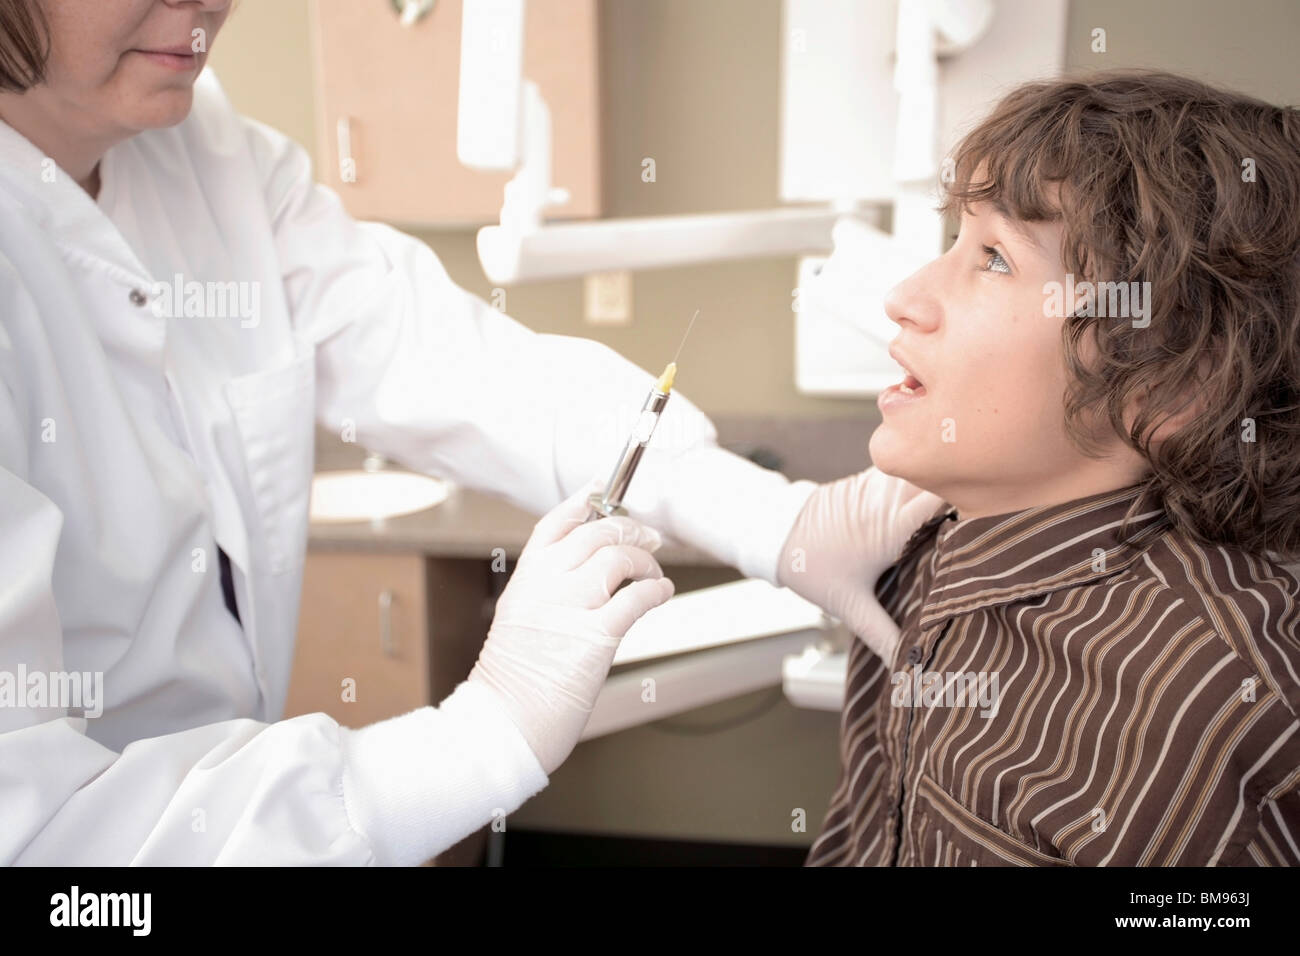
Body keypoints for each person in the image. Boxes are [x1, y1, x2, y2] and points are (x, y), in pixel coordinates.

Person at [0, 0, 937, 865]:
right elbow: (43, 835)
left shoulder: (205, 154)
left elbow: (443, 357)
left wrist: (778, 522)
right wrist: (479, 736)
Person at [805, 70, 1300, 866]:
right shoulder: (919, 564)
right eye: (955, 241)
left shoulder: (1199, 701)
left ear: (1169, 380)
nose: (904, 297)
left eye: (995, 259)